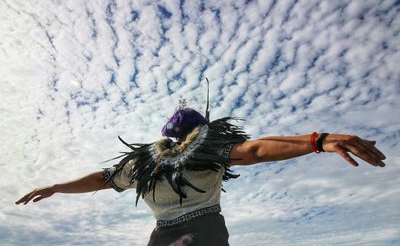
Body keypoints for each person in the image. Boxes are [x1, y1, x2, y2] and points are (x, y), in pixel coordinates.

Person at [16, 107, 386, 246]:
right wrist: (317, 141)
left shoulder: (142, 163)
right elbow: (255, 149)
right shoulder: (204, 152)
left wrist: (57, 187)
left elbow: (101, 178)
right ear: (201, 134)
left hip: (161, 237)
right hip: (205, 232)